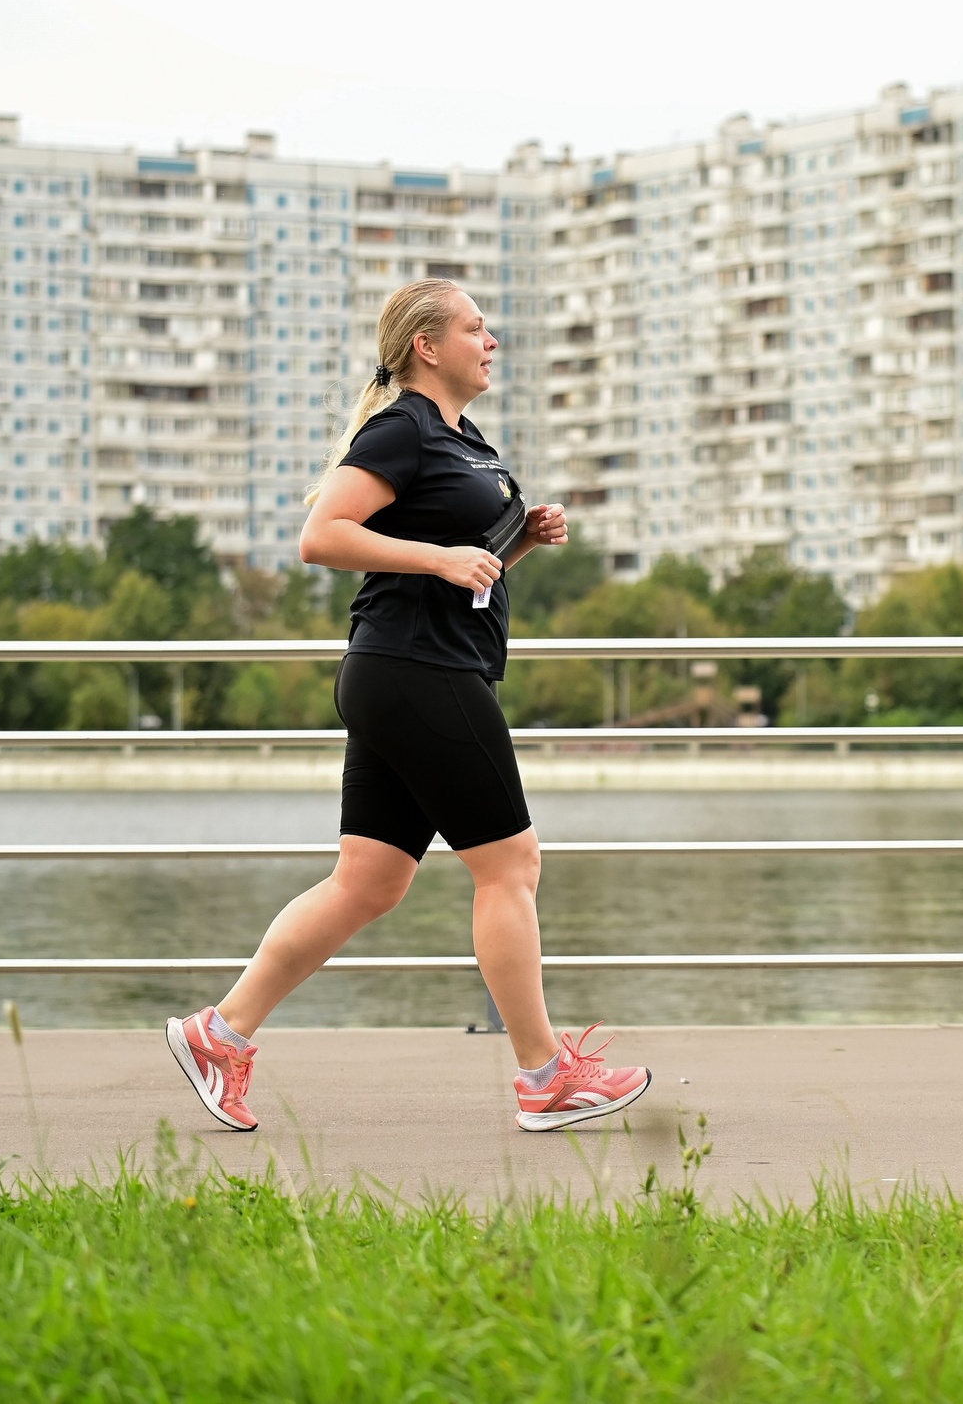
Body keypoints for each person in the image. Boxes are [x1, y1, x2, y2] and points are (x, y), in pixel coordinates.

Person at [165, 277, 652, 1134]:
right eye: (475, 327)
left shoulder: (464, 438)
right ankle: (545, 1076)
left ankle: (221, 1031)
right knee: (511, 866)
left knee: (371, 879)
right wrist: (440, 558)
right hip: (417, 670)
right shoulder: (402, 426)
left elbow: (461, 562)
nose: (491, 339)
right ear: (428, 346)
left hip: (413, 666)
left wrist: (516, 541)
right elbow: (324, 536)